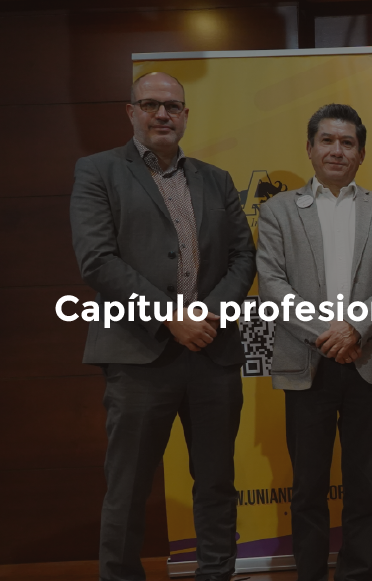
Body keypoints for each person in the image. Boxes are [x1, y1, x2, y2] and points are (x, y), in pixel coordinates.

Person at [70, 71, 256, 581]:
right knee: (129, 486)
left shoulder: (216, 179)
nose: (162, 114)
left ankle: (216, 573)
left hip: (212, 351)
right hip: (138, 355)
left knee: (216, 484)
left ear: (186, 115)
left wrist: (206, 314)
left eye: (172, 106)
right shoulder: (98, 171)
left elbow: (243, 256)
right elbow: (97, 260)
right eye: (150, 104)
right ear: (131, 112)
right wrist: (171, 315)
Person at [255, 103, 372, 581]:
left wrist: (355, 328)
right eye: (327, 141)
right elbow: (272, 283)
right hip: (308, 364)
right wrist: (327, 335)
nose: (337, 150)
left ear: (361, 153)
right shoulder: (278, 211)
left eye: (348, 143)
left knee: (364, 485)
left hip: (368, 360)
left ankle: (357, 573)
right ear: (310, 148)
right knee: (308, 487)